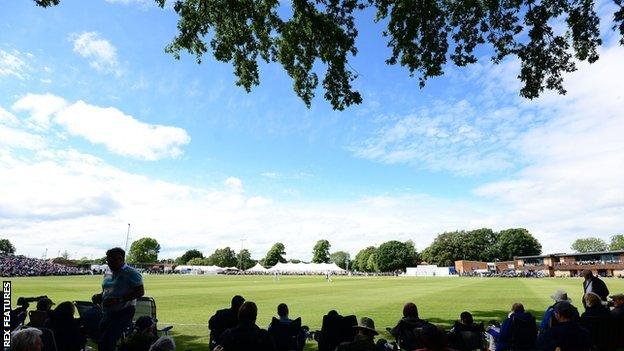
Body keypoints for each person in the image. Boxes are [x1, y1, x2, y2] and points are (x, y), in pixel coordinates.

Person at [95, 247, 145, 351]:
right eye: (107, 260)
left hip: (123, 312)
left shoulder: (132, 273)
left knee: (107, 341)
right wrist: (100, 296)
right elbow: (107, 290)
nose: (109, 263)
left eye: (111, 260)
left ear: (120, 258)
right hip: (107, 312)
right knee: (102, 340)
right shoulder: (108, 273)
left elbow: (140, 292)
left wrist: (118, 300)